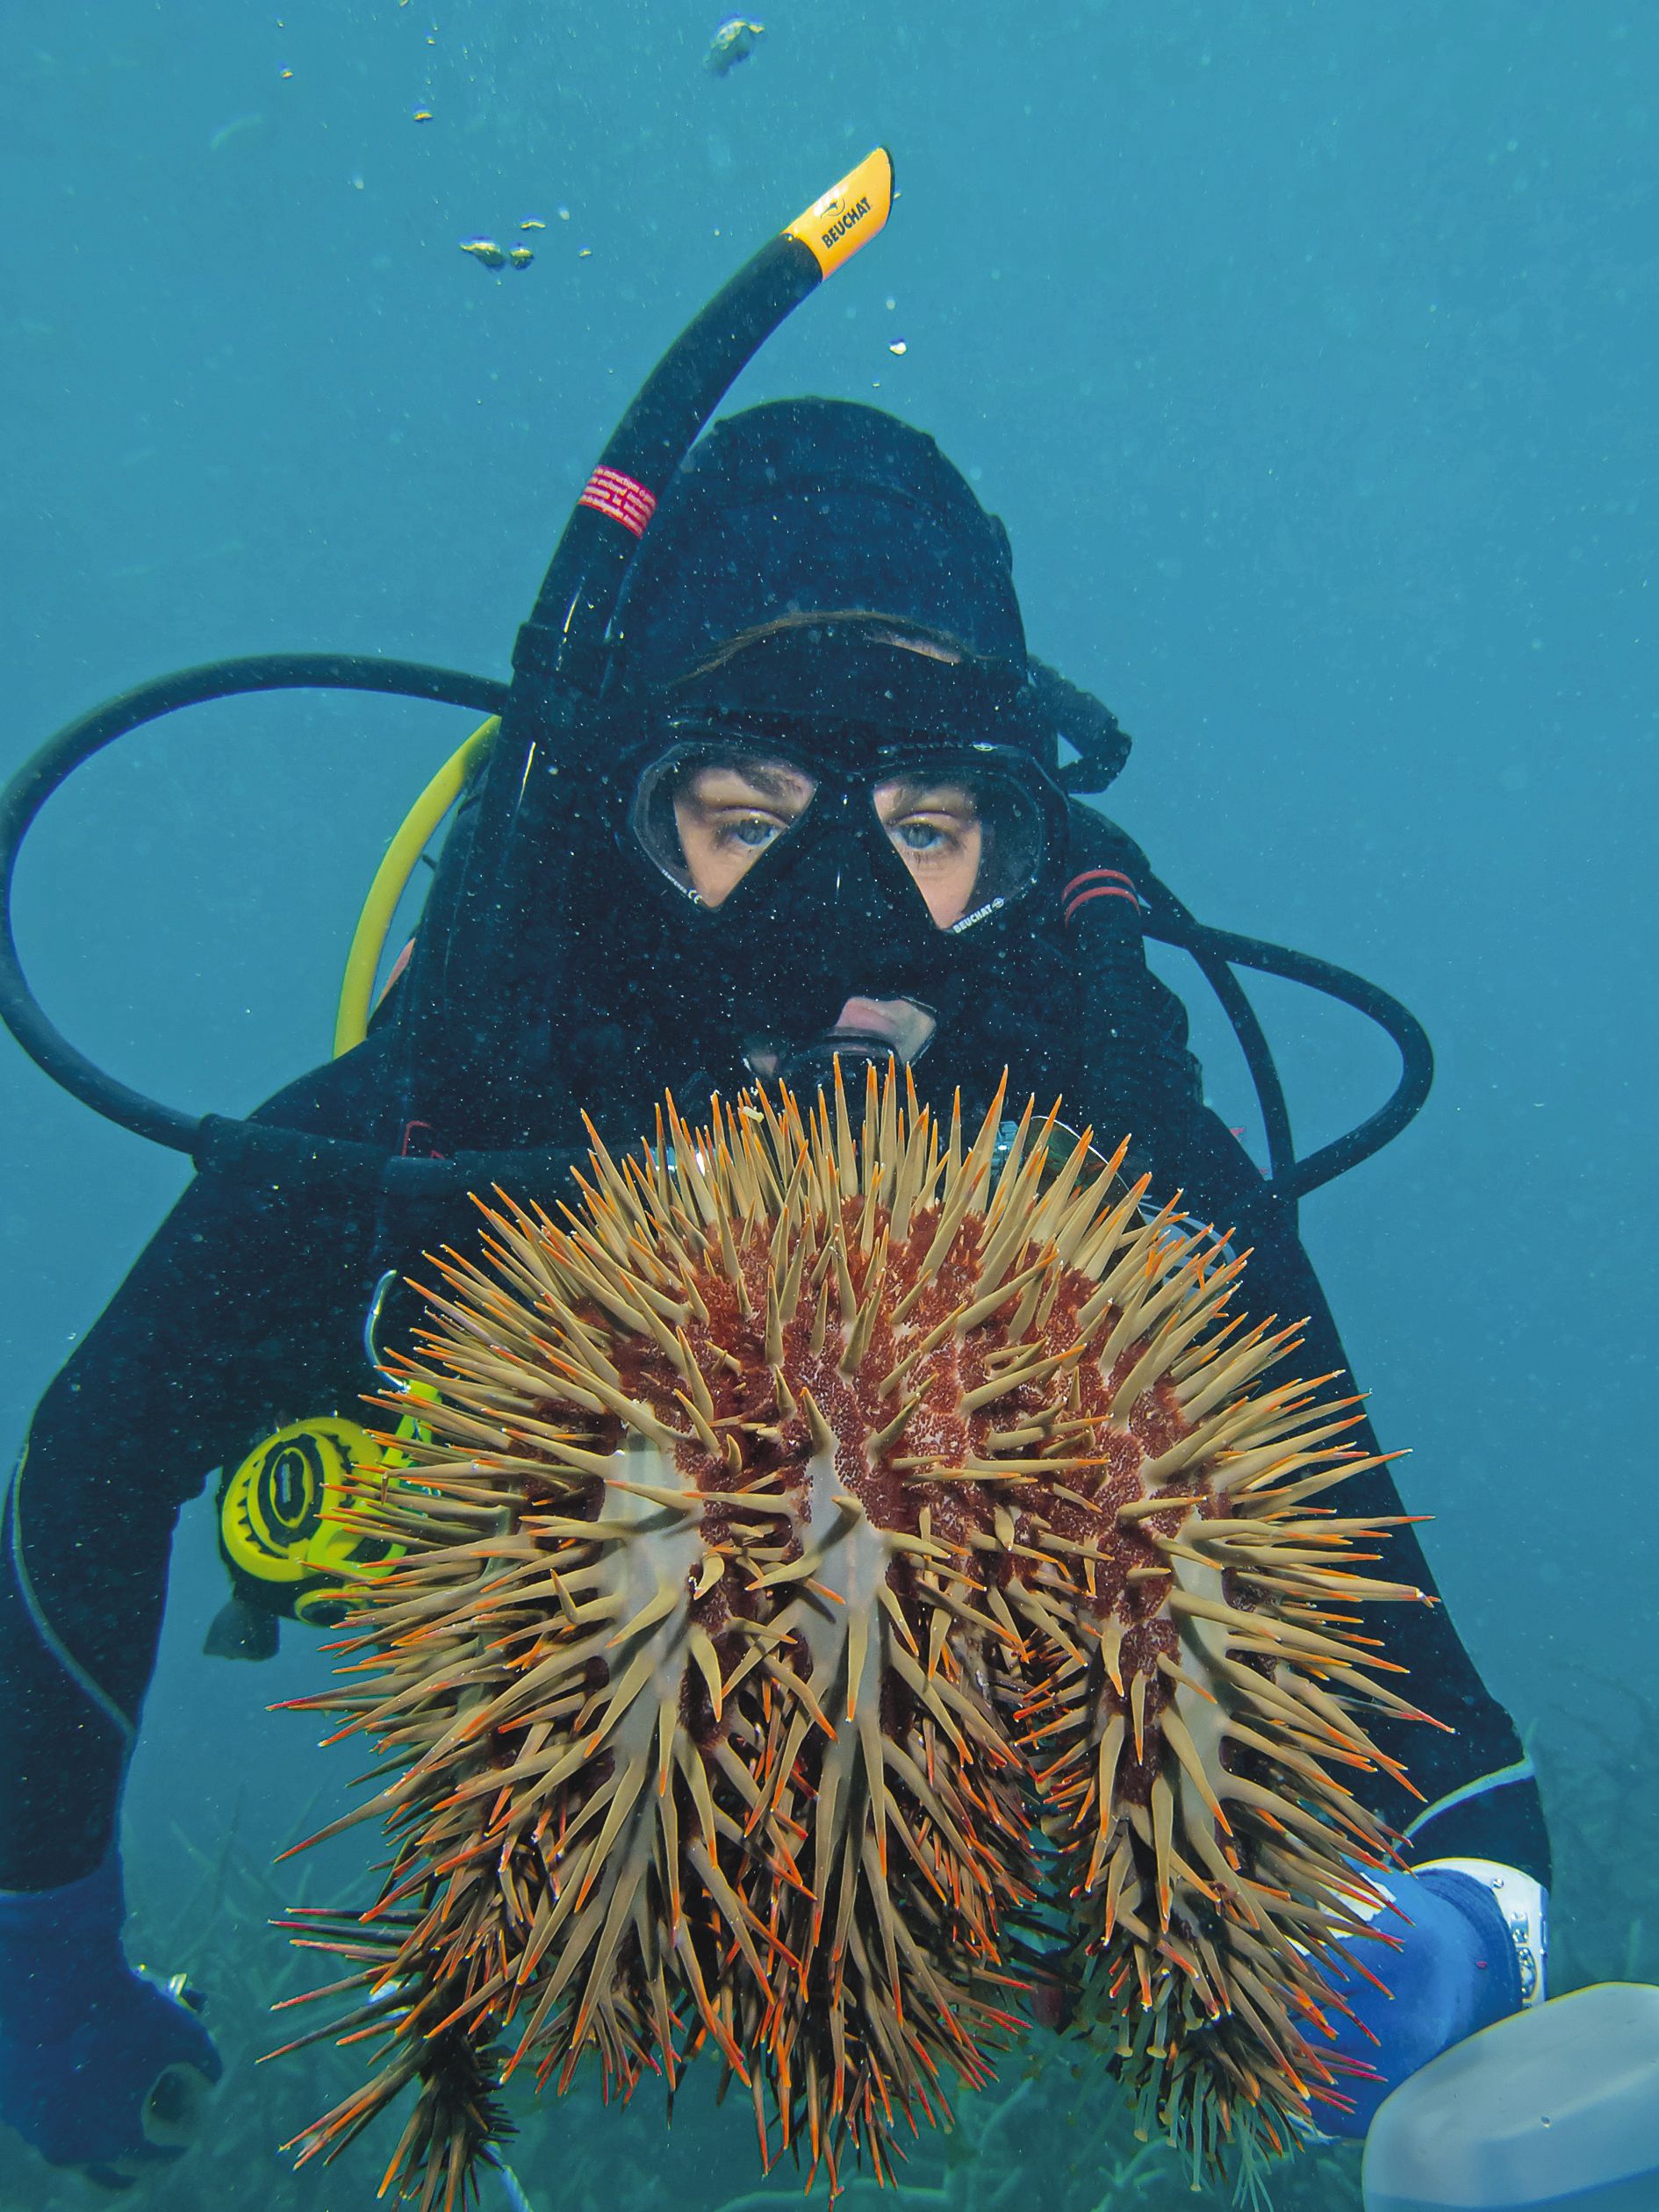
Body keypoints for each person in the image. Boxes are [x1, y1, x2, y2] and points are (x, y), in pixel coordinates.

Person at [0, 397, 1550, 2179]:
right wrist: (36, 1940)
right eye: (744, 819)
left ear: (1020, 849)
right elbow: (92, 1462)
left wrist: (1463, 1938)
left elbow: (1434, 1713)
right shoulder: (448, 1105)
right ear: (617, 821)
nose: (847, 917)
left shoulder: (1108, 1130)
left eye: (932, 827)